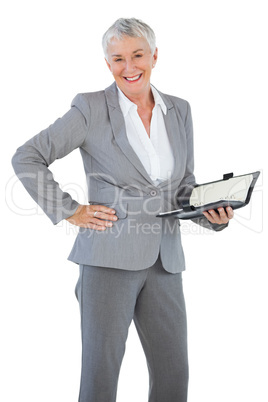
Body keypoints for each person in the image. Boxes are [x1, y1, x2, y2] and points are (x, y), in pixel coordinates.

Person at [12, 17, 234, 402]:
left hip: (165, 261)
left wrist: (211, 213)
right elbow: (27, 157)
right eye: (118, 59)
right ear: (107, 63)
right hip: (107, 261)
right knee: (101, 375)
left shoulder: (179, 110)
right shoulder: (90, 108)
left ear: (154, 55)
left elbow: (183, 187)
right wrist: (70, 210)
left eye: (137, 55)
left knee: (173, 374)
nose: (129, 67)